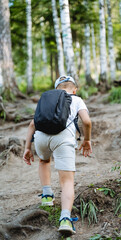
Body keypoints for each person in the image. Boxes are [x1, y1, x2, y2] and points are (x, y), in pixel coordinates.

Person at [23, 75, 92, 236]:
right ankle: (65, 219)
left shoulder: (48, 99)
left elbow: (32, 123)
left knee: (44, 160)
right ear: (74, 89)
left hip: (40, 138)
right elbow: (87, 122)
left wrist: (27, 148)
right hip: (63, 138)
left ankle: (47, 195)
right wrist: (87, 139)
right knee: (66, 180)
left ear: (56, 90)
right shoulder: (77, 99)